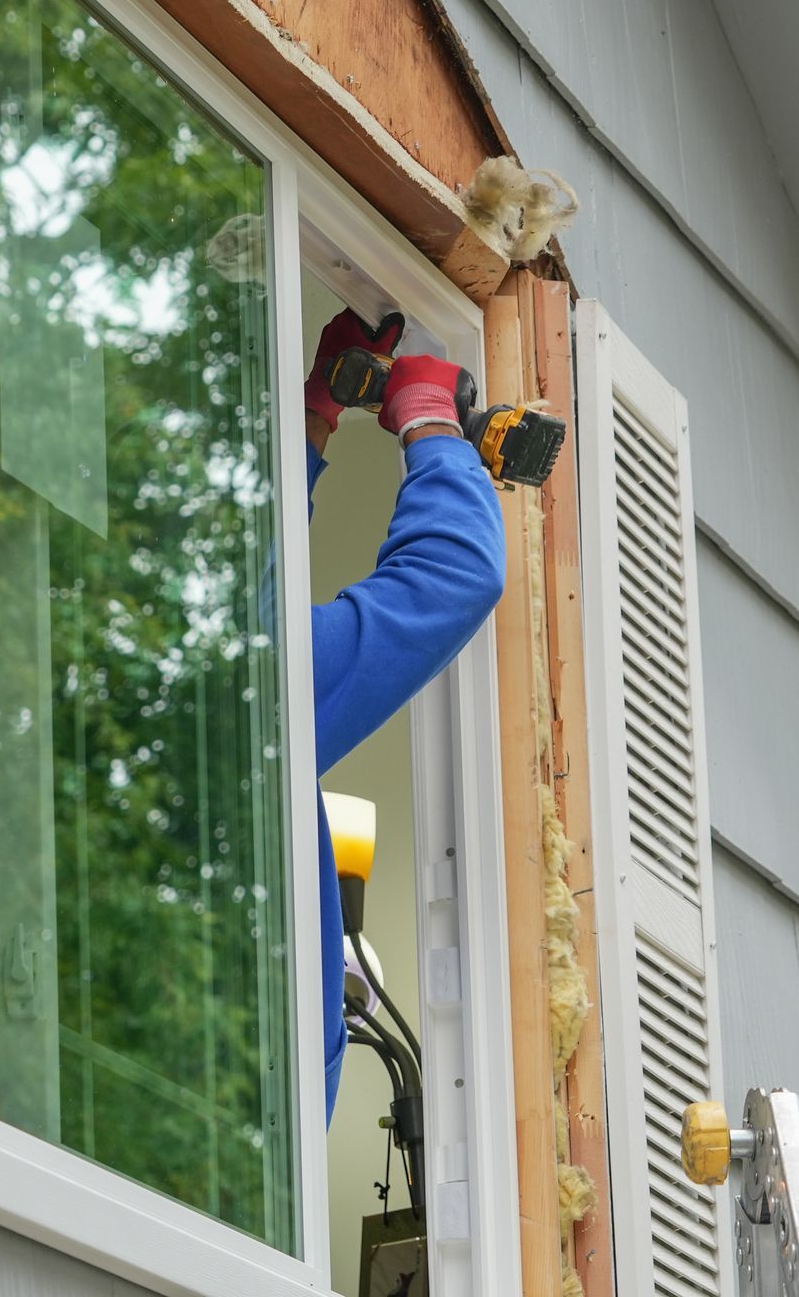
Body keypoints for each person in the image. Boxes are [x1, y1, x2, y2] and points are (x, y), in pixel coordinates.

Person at [300, 308, 506, 1118]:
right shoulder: (244, 691)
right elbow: (454, 575)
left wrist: (315, 415)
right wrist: (429, 419)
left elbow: (243, 566)